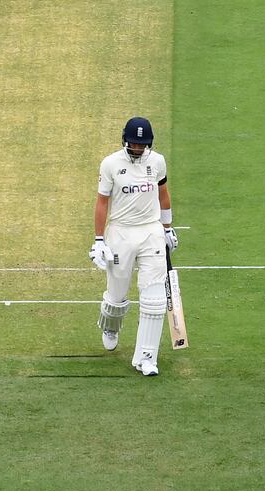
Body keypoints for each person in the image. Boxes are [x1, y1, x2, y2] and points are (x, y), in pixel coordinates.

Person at [88, 116, 179, 376]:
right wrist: (98, 241)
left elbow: (163, 194)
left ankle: (146, 358)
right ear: (125, 141)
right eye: (134, 144)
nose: (138, 149)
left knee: (155, 300)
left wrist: (168, 228)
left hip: (151, 231)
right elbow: (102, 202)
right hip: (121, 233)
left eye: (142, 145)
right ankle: (110, 325)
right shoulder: (111, 164)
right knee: (117, 296)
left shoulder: (157, 162)